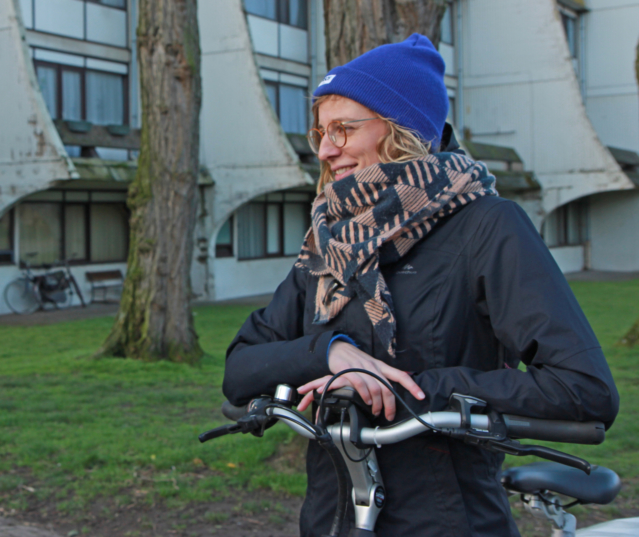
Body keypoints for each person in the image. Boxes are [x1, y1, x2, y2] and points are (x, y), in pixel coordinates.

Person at [222, 34, 618, 536]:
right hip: (332, 522)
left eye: (343, 129)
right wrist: (329, 351)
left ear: (402, 128)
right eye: (320, 132)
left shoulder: (488, 227)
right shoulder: (331, 242)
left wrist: (410, 389)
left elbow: (583, 389)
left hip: (447, 522)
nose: (325, 149)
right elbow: (240, 368)